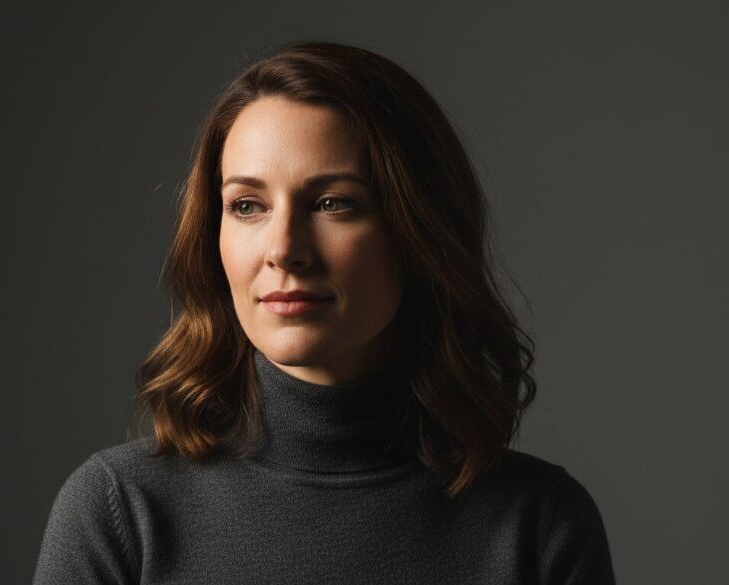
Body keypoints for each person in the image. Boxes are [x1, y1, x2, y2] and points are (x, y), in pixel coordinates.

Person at [32, 41, 616, 584]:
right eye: (247, 205)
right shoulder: (119, 510)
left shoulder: (538, 523)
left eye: (333, 203)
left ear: (418, 234)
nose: (284, 249)